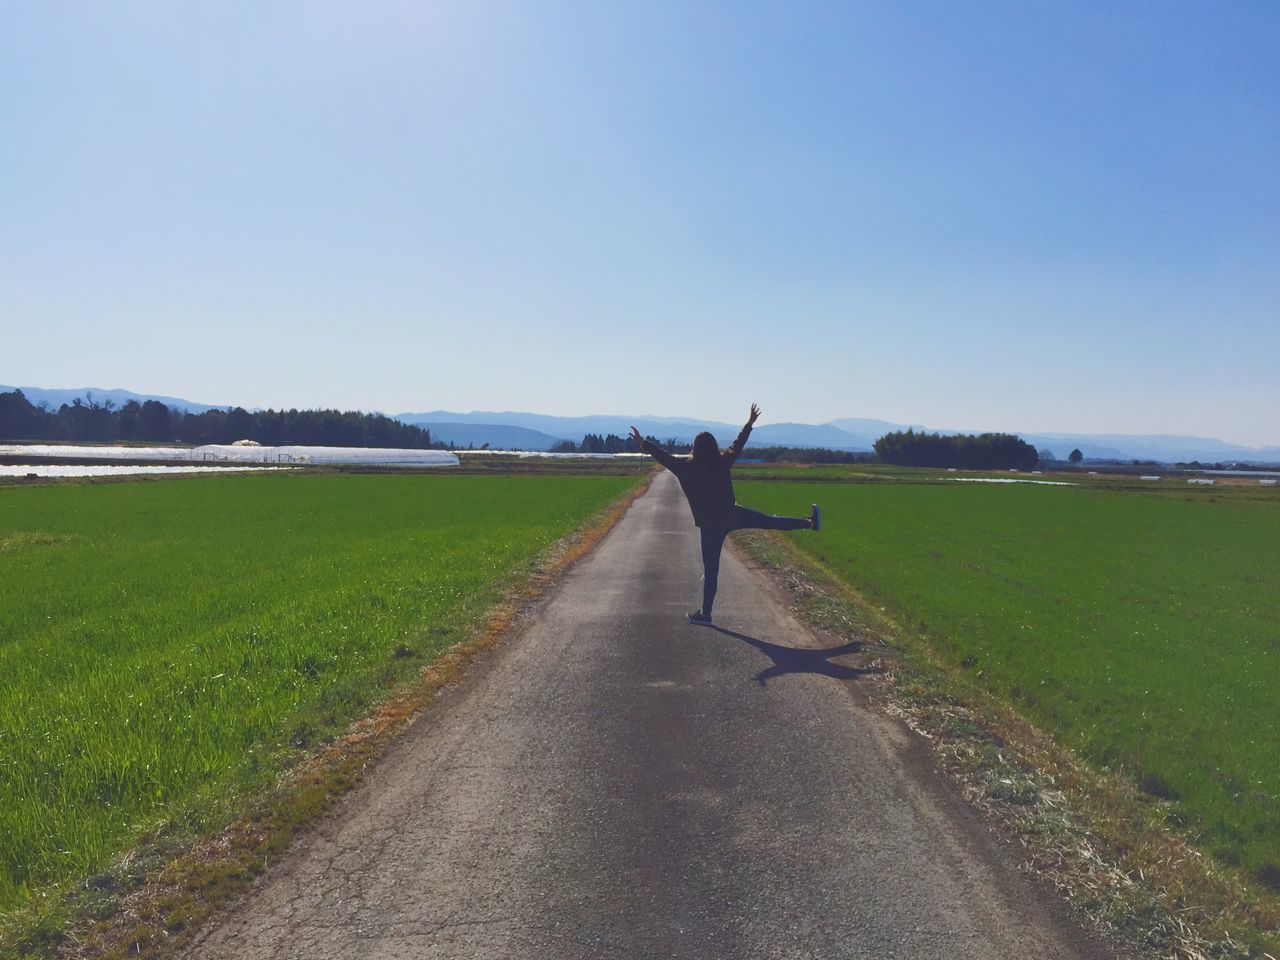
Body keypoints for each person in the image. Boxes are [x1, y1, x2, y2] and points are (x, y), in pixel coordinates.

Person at [630, 404, 820, 625]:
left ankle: (706, 614)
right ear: (713, 447)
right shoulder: (722, 461)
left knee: (712, 570)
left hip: (710, 526)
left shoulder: (685, 467)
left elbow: (663, 456)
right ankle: (808, 523)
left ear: (695, 448)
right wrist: (749, 424)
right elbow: (737, 445)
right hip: (731, 514)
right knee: (771, 521)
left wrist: (643, 443)